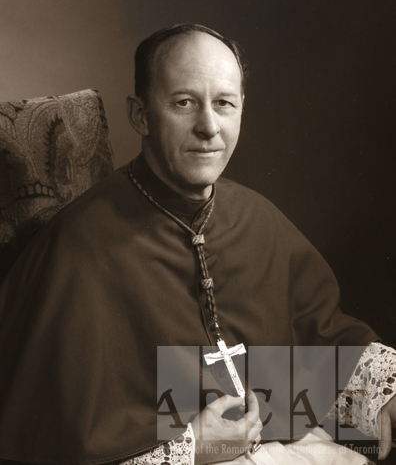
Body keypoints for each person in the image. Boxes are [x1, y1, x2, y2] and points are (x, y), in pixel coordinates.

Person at [0, 23, 395, 465]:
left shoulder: (258, 216)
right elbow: (60, 437)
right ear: (140, 114)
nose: (209, 126)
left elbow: (320, 332)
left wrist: (383, 392)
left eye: (224, 103)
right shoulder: (76, 248)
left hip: (276, 443)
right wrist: (190, 448)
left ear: (242, 109)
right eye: (185, 103)